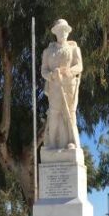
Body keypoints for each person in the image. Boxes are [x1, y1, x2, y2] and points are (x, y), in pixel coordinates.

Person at [41, 19, 82, 150]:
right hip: (54, 86)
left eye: (65, 30)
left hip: (69, 85)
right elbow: (44, 70)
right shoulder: (47, 52)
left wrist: (69, 71)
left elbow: (79, 66)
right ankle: (52, 142)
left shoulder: (74, 49)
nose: (63, 33)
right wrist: (52, 75)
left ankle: (71, 141)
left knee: (70, 113)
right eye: (60, 30)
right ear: (56, 32)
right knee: (54, 113)